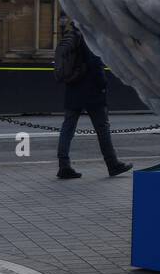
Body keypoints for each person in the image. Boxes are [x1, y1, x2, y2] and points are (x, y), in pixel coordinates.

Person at [55, 17, 133, 180]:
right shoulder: (89, 38)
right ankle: (112, 164)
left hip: (73, 89)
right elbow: (96, 65)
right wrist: (103, 85)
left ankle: (64, 165)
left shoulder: (71, 36)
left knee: (67, 128)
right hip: (92, 92)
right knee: (102, 129)